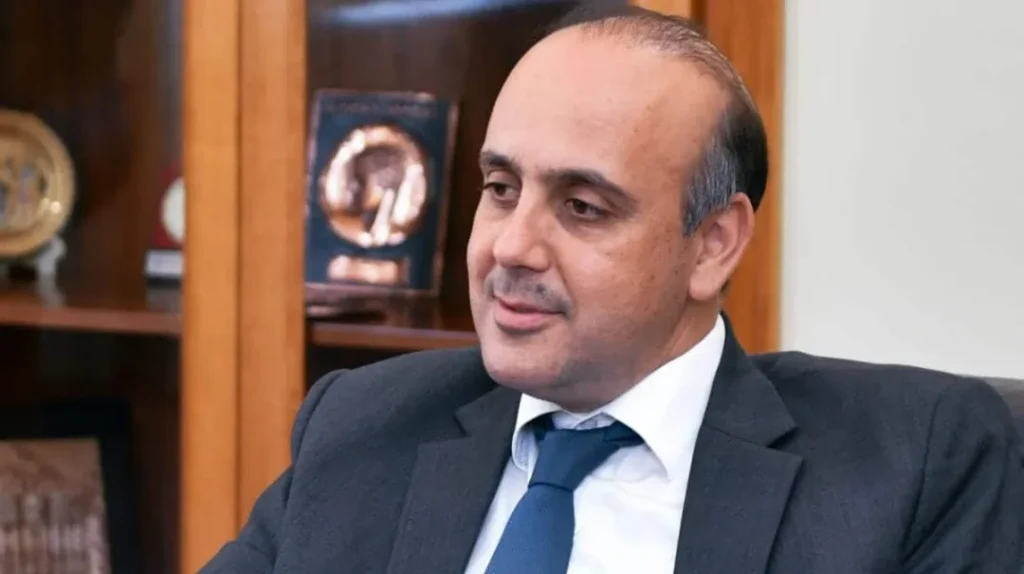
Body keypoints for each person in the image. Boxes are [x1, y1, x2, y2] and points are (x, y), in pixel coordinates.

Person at [200, 5, 1024, 574]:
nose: (511, 247)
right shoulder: (360, 426)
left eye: (582, 207)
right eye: (500, 188)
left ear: (713, 244)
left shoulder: (915, 460)